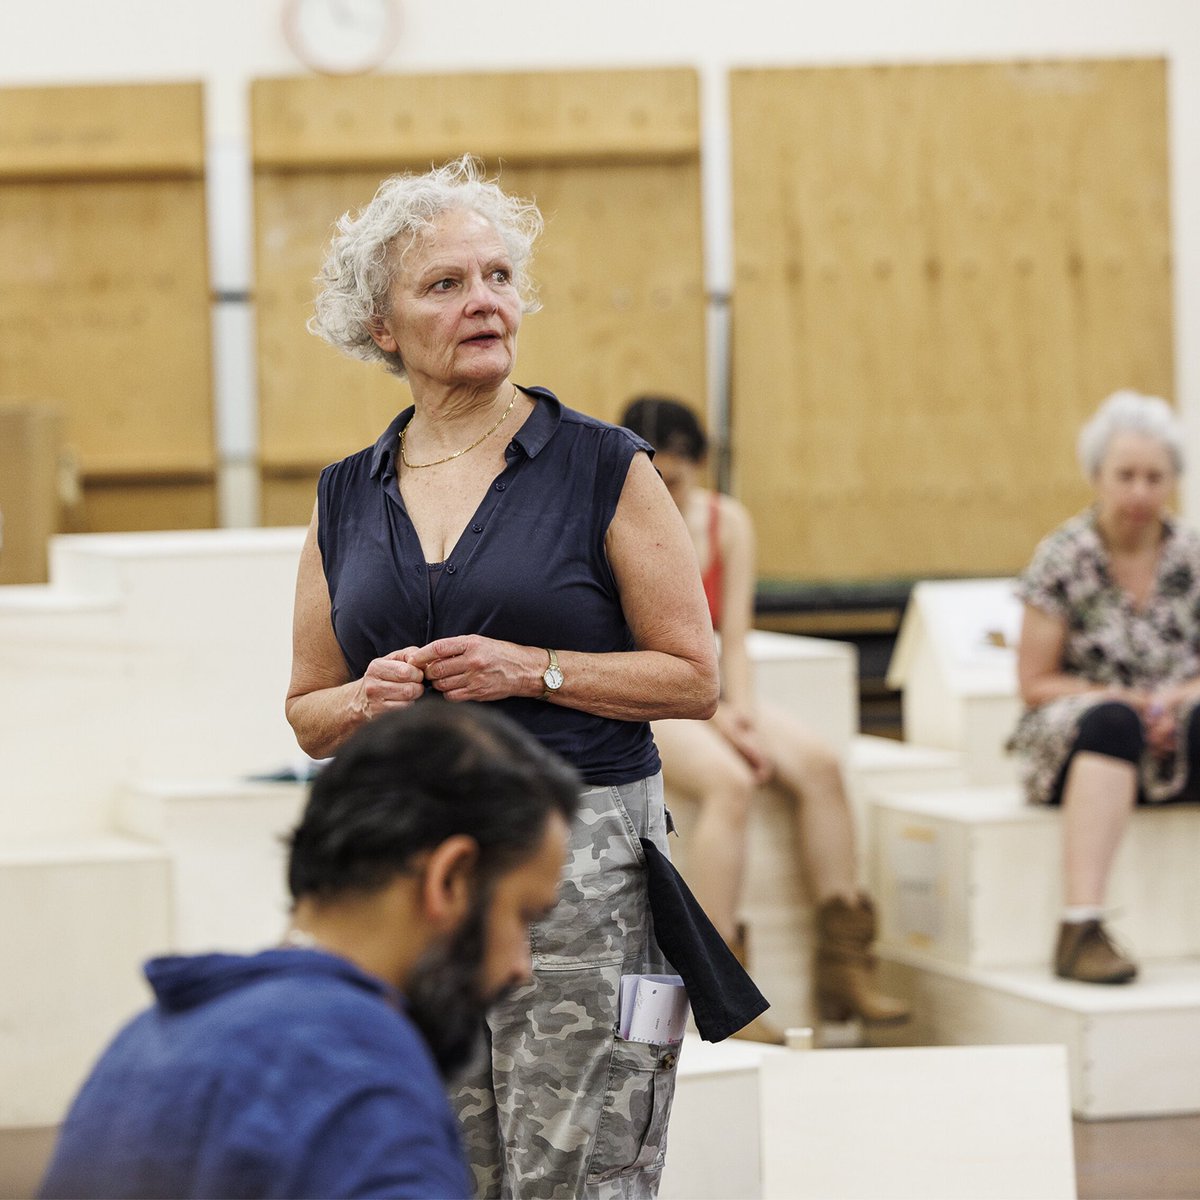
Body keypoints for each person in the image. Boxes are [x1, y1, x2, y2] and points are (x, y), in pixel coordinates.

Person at [287, 157, 722, 1199]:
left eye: (497, 276)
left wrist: (536, 669)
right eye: (445, 284)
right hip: (416, 881)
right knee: (430, 1166)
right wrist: (368, 700)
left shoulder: (602, 465)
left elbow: (694, 679)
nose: (484, 300)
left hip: (584, 874)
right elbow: (310, 711)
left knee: (582, 1171)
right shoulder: (346, 495)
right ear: (381, 327)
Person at [39, 703, 578, 1200]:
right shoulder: (363, 1090)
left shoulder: (145, 1045)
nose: (520, 967)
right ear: (450, 879)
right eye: (523, 916)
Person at [619, 397, 908, 1031]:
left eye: (679, 477)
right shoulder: (622, 519)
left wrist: (740, 712)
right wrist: (720, 719)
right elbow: (637, 645)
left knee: (821, 765)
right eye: (656, 477)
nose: (667, 489)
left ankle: (845, 963)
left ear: (700, 467)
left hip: (713, 681)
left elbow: (738, 637)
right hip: (653, 685)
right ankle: (719, 980)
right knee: (730, 784)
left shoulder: (729, 524)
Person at [1011, 389, 1200, 985]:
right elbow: (1035, 683)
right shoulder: (1064, 555)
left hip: (1178, 720)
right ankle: (1081, 927)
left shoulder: (1192, 553)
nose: (1140, 492)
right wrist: (1130, 701)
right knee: (1113, 723)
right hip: (1086, 724)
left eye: (1155, 477)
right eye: (1126, 476)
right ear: (1097, 476)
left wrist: (1179, 698)